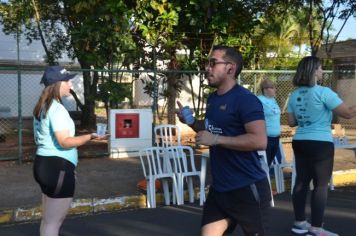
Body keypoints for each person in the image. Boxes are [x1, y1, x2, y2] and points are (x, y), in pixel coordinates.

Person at [177, 45, 271, 236]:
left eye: (213, 63)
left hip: (247, 188)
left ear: (230, 68)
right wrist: (192, 121)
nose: (207, 68)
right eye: (207, 63)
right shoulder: (213, 99)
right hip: (220, 189)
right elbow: (210, 130)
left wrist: (217, 139)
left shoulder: (246, 100)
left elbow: (259, 140)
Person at [32, 66, 107, 236]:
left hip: (43, 165)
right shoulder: (56, 109)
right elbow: (64, 142)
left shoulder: (43, 106)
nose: (70, 85)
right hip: (57, 168)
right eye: (67, 81)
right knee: (53, 223)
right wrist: (90, 137)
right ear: (57, 84)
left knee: (48, 221)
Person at [287, 56, 356, 236]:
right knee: (321, 185)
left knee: (301, 182)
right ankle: (317, 228)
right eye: (319, 68)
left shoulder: (293, 95)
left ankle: (299, 222)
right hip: (320, 143)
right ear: (312, 71)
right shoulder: (324, 92)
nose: (322, 71)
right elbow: (348, 114)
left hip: (300, 141)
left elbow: (292, 122)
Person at [258, 79, 281, 166]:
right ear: (266, 89)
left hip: (276, 137)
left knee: (269, 162)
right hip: (266, 138)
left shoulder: (273, 100)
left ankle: (266, 178)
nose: (275, 90)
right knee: (264, 163)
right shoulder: (259, 100)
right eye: (273, 88)